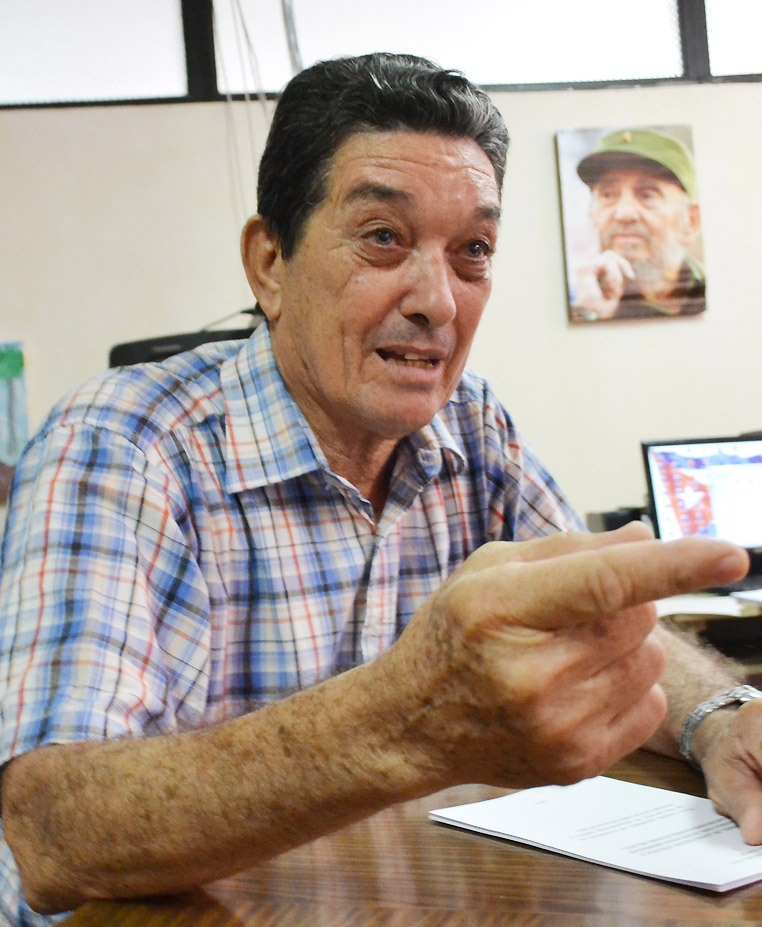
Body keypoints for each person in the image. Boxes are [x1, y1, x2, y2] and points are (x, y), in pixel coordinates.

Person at [0, 53, 758, 927]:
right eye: (384, 238)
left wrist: (722, 716)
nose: (438, 300)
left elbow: (609, 628)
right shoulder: (121, 444)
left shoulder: (474, 426)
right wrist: (410, 718)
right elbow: (52, 832)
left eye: (472, 250)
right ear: (270, 262)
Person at [572, 127, 706, 321]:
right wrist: (587, 316)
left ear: (691, 222)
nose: (624, 214)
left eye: (647, 195)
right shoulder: (576, 305)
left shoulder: (728, 294)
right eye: (608, 195)